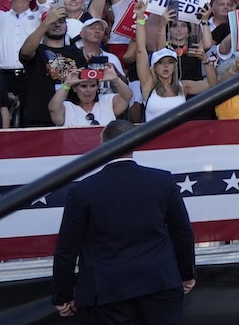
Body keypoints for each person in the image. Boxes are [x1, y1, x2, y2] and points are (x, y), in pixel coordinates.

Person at [51, 120, 197, 323]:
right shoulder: (162, 181)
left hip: (107, 290)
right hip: (160, 281)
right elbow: (183, 233)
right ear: (135, 143)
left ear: (103, 144)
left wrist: (63, 295)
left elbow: (67, 248)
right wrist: (187, 272)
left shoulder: (83, 191)